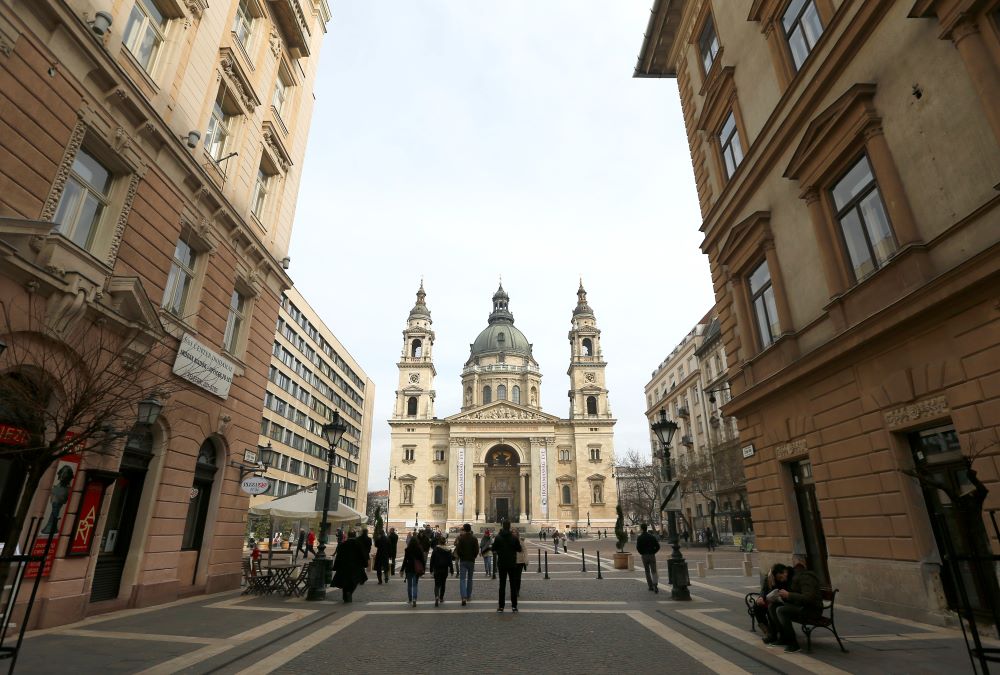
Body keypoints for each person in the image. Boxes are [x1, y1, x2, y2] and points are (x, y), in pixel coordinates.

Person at [767, 556, 821, 653]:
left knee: (781, 610)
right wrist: (782, 597)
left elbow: (808, 598)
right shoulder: (796, 577)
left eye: (796, 565)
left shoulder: (806, 577)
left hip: (811, 610)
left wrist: (789, 595)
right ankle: (783, 637)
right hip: (801, 606)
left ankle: (794, 644)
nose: (792, 569)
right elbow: (796, 595)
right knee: (772, 606)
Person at [492, 521, 523, 613]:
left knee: (502, 585)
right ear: (510, 527)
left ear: (502, 526)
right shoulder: (514, 537)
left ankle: (501, 607)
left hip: (502, 563)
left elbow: (493, 549)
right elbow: (519, 549)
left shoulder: (498, 537)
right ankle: (514, 606)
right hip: (512, 564)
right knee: (513, 585)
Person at [756, 563, 791, 639]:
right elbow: (764, 589)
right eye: (778, 577)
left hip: (781, 601)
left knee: (771, 607)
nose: (780, 579)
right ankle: (766, 631)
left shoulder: (788, 578)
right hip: (771, 599)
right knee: (757, 606)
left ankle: (774, 632)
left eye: (781, 576)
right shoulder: (770, 577)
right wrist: (761, 597)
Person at [331, 531, 366, 603]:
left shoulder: (343, 544)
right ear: (355, 535)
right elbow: (362, 555)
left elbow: (338, 556)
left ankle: (345, 597)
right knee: (355, 581)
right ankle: (350, 592)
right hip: (356, 567)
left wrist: (336, 566)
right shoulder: (359, 544)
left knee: (345, 582)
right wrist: (364, 564)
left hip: (344, 566)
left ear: (348, 536)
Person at [453, 523, 479, 606]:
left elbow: (459, 549)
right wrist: (473, 557)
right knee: (470, 579)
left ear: (465, 530)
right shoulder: (474, 538)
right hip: (471, 561)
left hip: (463, 561)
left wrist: (461, 556)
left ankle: (463, 597)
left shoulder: (461, 538)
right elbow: (476, 550)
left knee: (462, 579)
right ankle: (468, 596)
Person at [430, 535, 455, 607]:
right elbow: (450, 561)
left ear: (439, 542)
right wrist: (452, 569)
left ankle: (436, 597)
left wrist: (431, 569)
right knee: (443, 583)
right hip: (444, 569)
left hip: (437, 568)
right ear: (445, 542)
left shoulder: (435, 549)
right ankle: (441, 598)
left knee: (437, 584)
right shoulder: (448, 550)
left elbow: (432, 559)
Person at [636, 523, 661, 593]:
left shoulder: (640, 537)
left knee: (647, 571)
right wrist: (654, 551)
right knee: (654, 571)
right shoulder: (651, 537)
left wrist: (642, 553)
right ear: (647, 528)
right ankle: (655, 584)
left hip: (644, 555)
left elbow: (638, 548)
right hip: (651, 555)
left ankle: (650, 586)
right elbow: (658, 546)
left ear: (641, 528)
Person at [401, 536, 425, 607]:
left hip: (409, 568)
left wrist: (402, 569)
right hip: (417, 568)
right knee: (415, 585)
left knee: (409, 585)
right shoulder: (419, 549)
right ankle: (415, 599)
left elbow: (405, 560)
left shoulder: (408, 549)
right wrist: (423, 568)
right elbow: (422, 560)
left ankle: (410, 599)